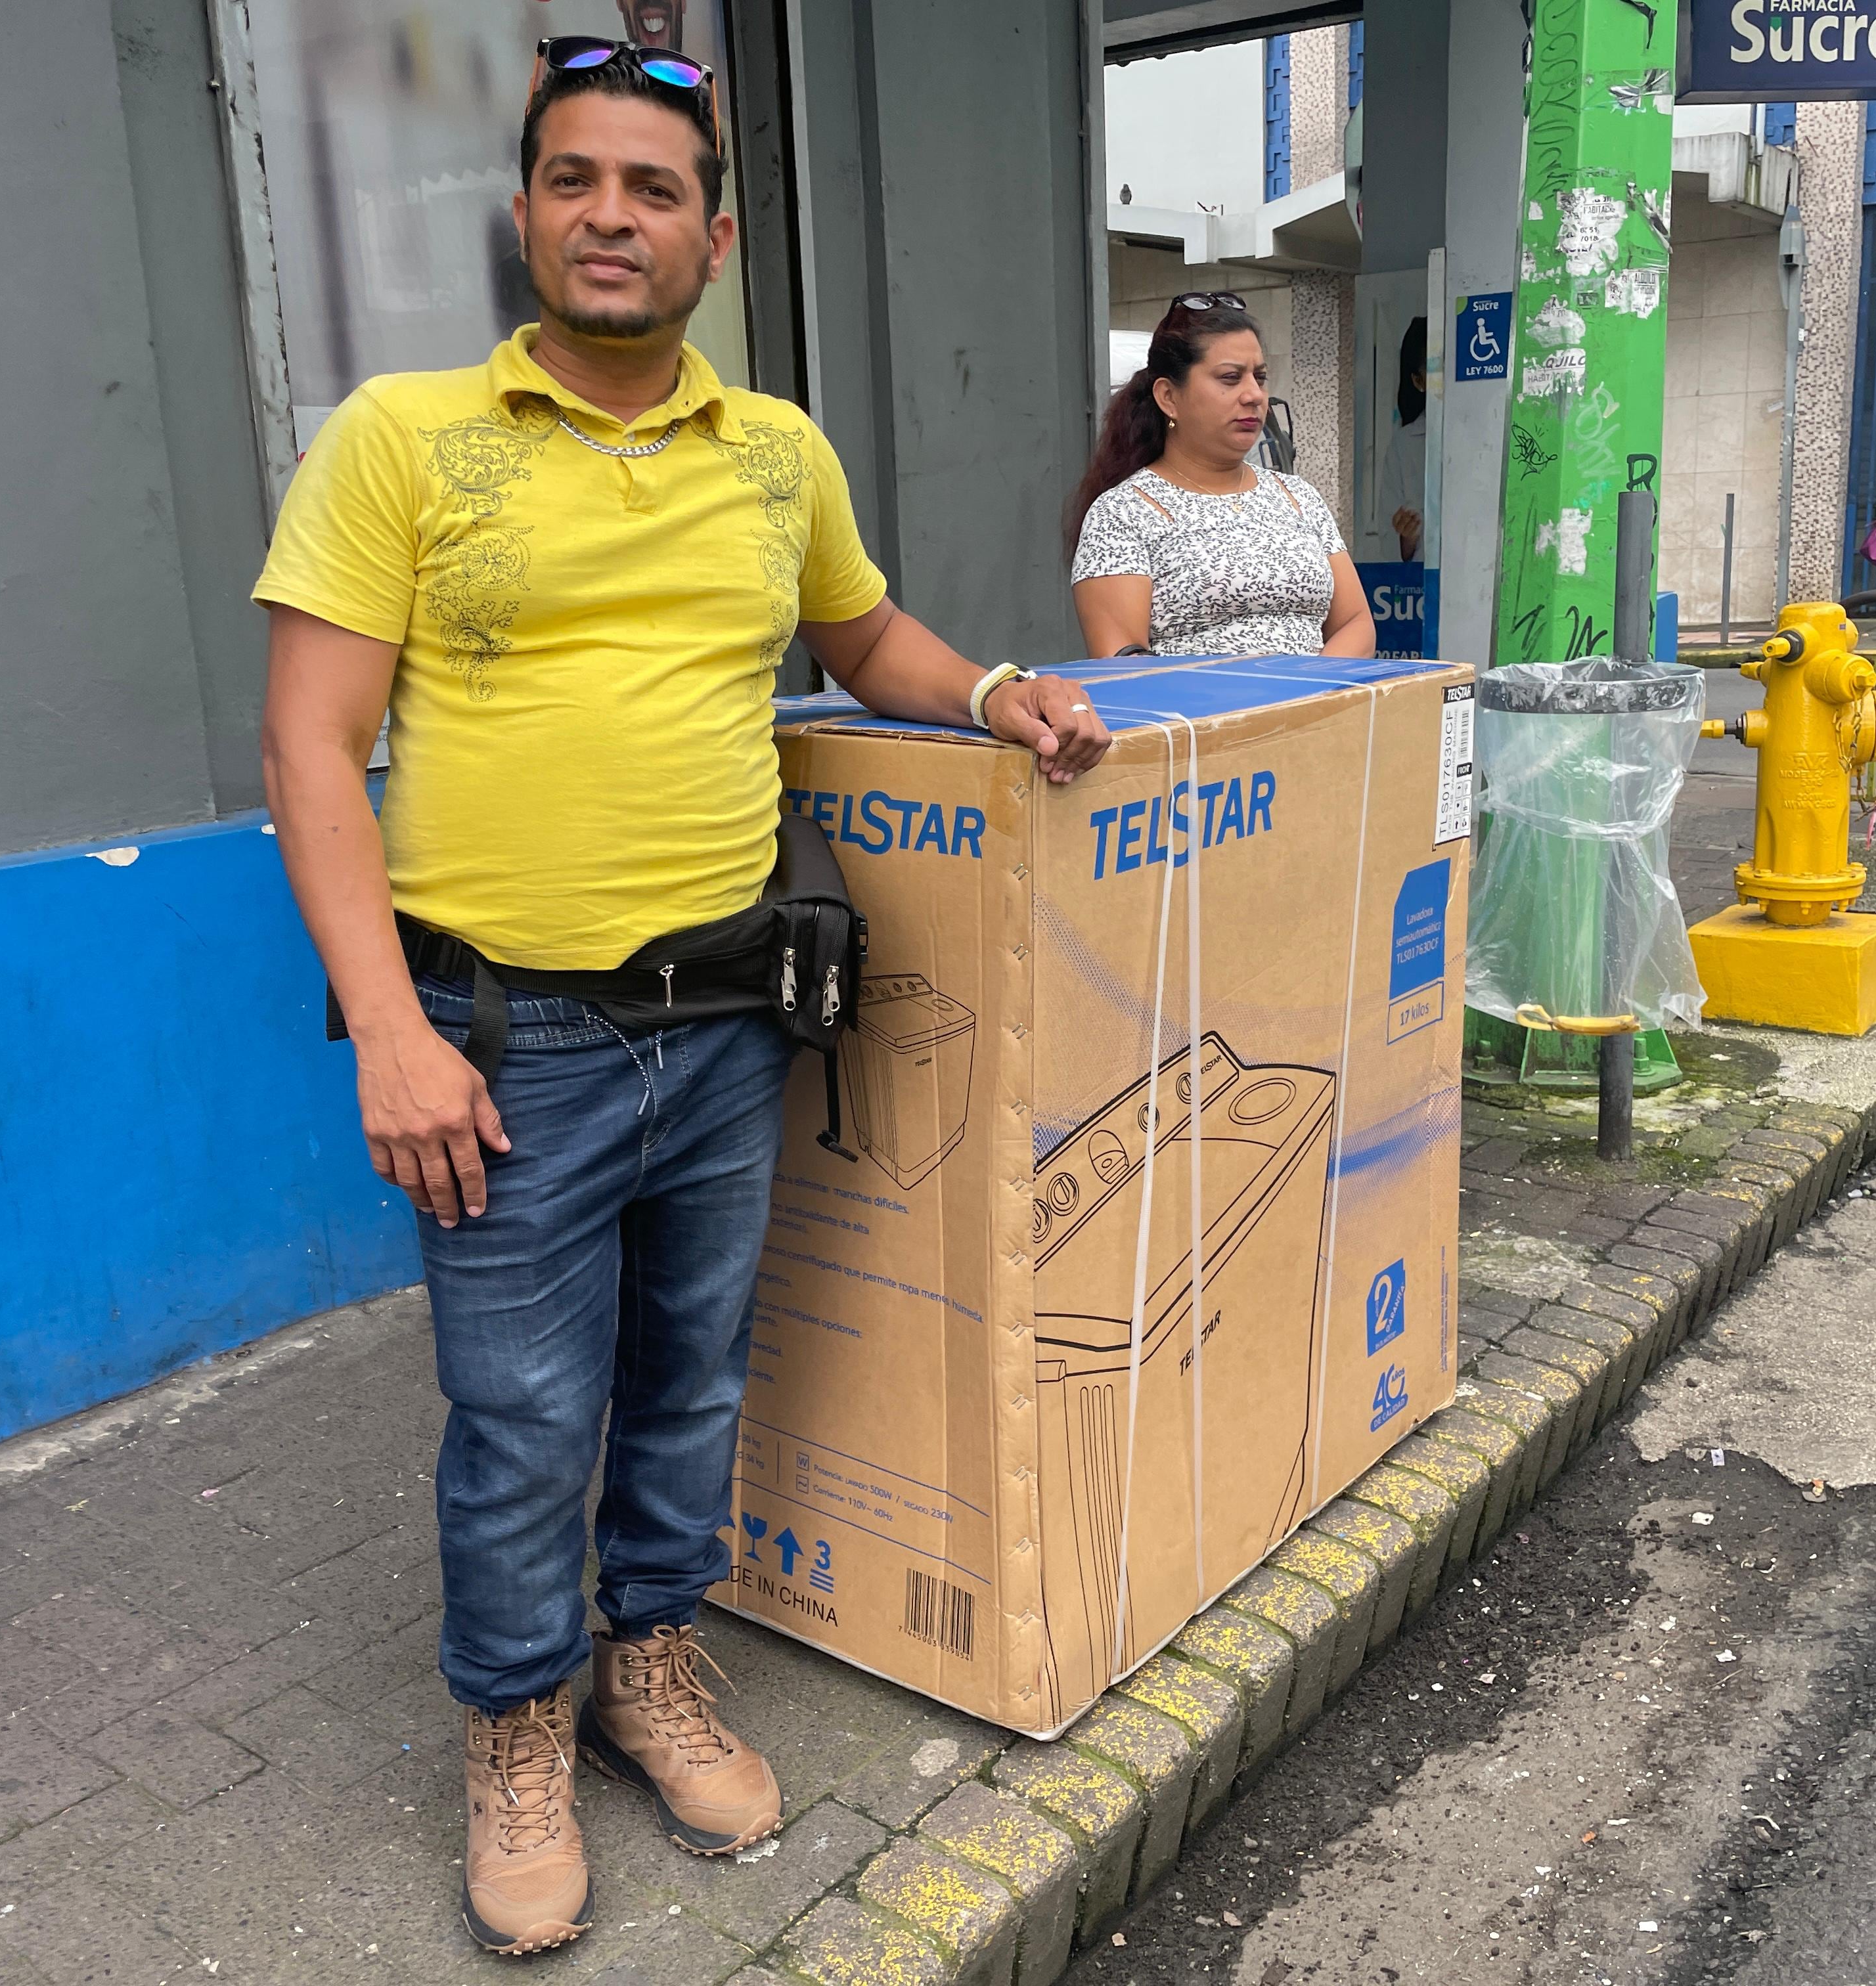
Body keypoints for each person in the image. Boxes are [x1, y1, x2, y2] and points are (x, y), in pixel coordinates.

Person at [253, 41, 1106, 1956]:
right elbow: (312, 750)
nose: (611, 216)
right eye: (576, 180)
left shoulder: (777, 452)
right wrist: (388, 1031)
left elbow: (860, 633)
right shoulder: (402, 440)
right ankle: (517, 1732)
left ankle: (647, 1664)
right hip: (507, 1046)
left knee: (693, 1379)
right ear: (523, 215)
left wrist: (994, 695)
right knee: (521, 1419)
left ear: (714, 239)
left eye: (653, 188)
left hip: (726, 1024)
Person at [1067, 292, 1376, 658]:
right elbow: (1123, 660)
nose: (1254, 395)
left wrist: (1312, 687)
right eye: (1230, 378)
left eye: (1260, 377)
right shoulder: (1123, 513)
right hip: (1193, 697)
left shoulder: (1298, 497)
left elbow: (1355, 622)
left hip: (1321, 693)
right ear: (1169, 397)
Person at [1378, 318, 1430, 562]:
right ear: (1418, 381)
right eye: (1435, 368)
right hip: (1422, 578)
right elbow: (1388, 543)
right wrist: (1406, 538)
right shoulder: (1404, 444)